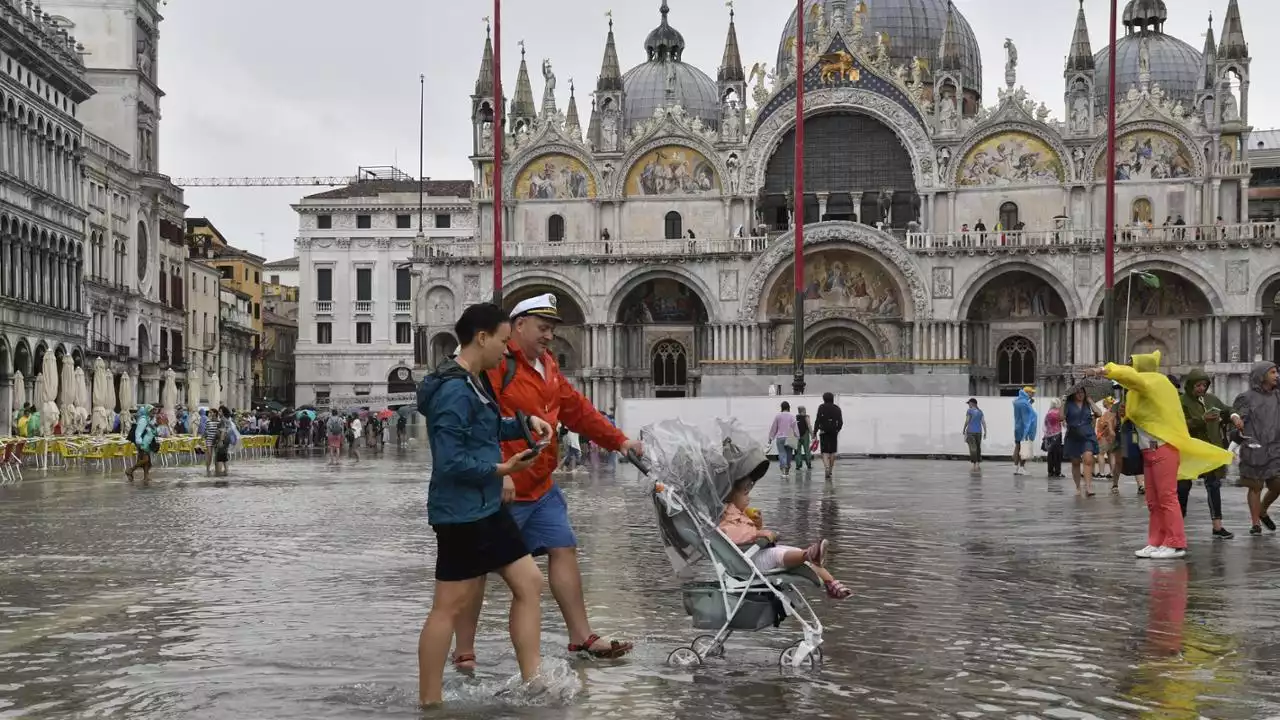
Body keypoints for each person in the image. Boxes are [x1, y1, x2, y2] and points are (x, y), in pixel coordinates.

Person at [451, 293, 641, 669]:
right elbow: (476, 422)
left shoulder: (549, 367)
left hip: (541, 485)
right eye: (543, 327)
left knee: (563, 547)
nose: (549, 335)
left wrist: (619, 441)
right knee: (476, 570)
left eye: (552, 328)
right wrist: (497, 467)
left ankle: (581, 637)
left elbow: (577, 411)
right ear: (518, 326)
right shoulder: (495, 366)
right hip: (502, 487)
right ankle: (464, 651)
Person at [416, 302, 552, 707]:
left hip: (486, 507)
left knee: (529, 582)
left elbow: (488, 426)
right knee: (448, 607)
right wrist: (501, 468)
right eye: (503, 341)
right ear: (482, 337)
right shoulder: (455, 390)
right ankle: (429, 702)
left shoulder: (475, 381)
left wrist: (527, 424)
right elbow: (450, 461)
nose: (506, 350)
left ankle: (534, 682)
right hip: (460, 513)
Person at [1086, 351, 1233, 559]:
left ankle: (1175, 542)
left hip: (1163, 448)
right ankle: (1156, 541)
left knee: (1167, 497)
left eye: (1132, 363)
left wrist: (1104, 370)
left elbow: (1130, 377)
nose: (1129, 366)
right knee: (1153, 500)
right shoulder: (1142, 389)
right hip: (1149, 450)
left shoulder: (1155, 381)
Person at [717, 438, 851, 599]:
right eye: (745, 494)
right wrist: (759, 534)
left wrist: (757, 524)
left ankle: (830, 582)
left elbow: (747, 531)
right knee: (779, 555)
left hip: (756, 553)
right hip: (746, 561)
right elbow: (734, 537)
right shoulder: (725, 518)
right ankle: (809, 556)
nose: (749, 499)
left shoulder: (739, 513)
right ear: (730, 495)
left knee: (794, 554)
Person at [1179, 368, 1233, 539]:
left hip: (1210, 449)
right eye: (1198, 385)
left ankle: (1217, 526)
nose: (1201, 388)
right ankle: (1178, 523)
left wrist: (1235, 416)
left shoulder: (1211, 399)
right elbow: (1179, 424)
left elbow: (1226, 409)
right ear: (1190, 386)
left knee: (1213, 484)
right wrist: (1202, 420)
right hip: (1190, 450)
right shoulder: (1181, 401)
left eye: (1204, 385)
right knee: (1183, 486)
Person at [1230, 362, 1280, 536]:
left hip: (1275, 448)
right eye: (1272, 372)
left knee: (1277, 484)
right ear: (1261, 375)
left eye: (1277, 372)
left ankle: (1263, 510)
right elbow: (1237, 415)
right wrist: (1238, 422)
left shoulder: (1278, 396)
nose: (1277, 375)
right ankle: (1255, 523)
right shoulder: (1246, 397)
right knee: (1255, 486)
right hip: (1254, 447)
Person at [1063, 385, 1099, 496]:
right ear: (1073, 394)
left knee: (1088, 459)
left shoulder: (1088, 404)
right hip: (1073, 435)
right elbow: (1060, 417)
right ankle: (1078, 486)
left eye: (1082, 392)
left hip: (1087, 435)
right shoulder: (1068, 404)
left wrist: (1091, 401)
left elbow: (1099, 413)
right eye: (1078, 392)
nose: (1080, 394)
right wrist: (1062, 403)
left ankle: (1088, 487)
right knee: (1075, 462)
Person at [814, 392, 843, 480]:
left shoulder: (821, 407)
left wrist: (815, 431)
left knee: (825, 451)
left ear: (824, 399)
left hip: (823, 431)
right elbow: (841, 422)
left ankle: (826, 467)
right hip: (834, 431)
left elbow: (818, 420)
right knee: (832, 451)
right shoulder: (837, 408)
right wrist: (837, 430)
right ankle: (830, 470)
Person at [126, 405, 157, 484]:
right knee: (145, 459)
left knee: (147, 462)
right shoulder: (143, 420)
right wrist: (139, 442)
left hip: (146, 442)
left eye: (154, 412)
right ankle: (130, 470)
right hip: (142, 442)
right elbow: (138, 432)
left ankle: (146, 477)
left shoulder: (148, 419)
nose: (153, 414)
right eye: (152, 412)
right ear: (148, 412)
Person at [767, 401, 800, 478]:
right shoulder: (792, 416)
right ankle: (787, 470)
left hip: (780, 437)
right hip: (790, 437)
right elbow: (795, 428)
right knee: (789, 454)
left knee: (782, 453)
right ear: (789, 407)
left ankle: (783, 470)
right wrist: (797, 437)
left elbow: (774, 428)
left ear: (781, 407)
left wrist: (770, 438)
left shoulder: (778, 416)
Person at [1012, 386, 1037, 475]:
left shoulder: (1017, 401)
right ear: (1027, 393)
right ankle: (1021, 468)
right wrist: (1027, 431)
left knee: (1018, 446)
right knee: (1024, 448)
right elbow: (1027, 418)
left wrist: (1029, 402)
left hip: (1018, 427)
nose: (1033, 394)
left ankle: (1016, 467)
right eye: (1031, 392)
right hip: (1025, 429)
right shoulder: (1024, 403)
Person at [962, 398, 986, 472]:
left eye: (969, 403)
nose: (968, 405)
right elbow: (983, 422)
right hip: (979, 432)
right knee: (978, 448)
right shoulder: (980, 411)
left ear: (972, 403)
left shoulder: (969, 411)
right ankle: (978, 464)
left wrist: (964, 428)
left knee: (973, 448)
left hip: (971, 431)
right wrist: (985, 431)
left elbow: (967, 420)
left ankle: (974, 465)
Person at [1042, 399, 1064, 478]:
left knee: (1050, 454)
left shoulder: (1048, 412)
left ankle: (1050, 471)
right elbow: (1062, 419)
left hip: (1048, 435)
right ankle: (1057, 472)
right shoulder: (1058, 412)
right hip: (1057, 434)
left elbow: (1045, 424)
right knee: (1057, 454)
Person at [794, 406, 814, 472]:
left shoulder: (796, 417)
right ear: (804, 410)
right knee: (807, 449)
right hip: (805, 435)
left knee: (797, 450)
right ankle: (808, 464)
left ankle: (798, 465)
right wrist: (812, 434)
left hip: (797, 436)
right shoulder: (806, 417)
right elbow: (809, 426)